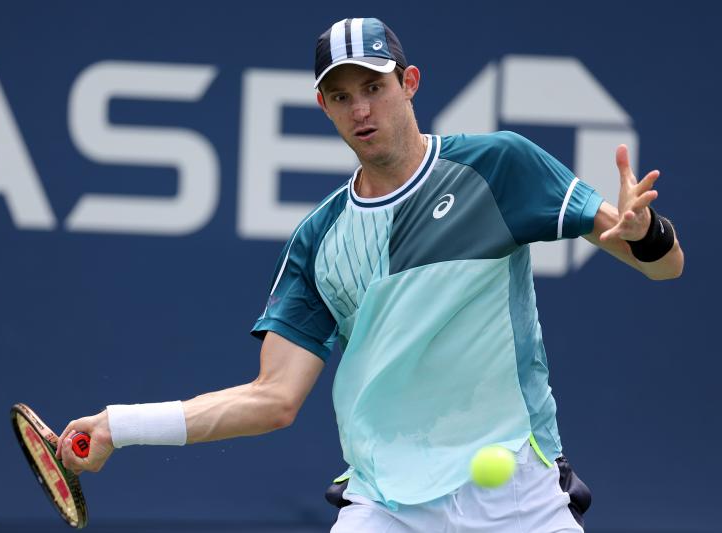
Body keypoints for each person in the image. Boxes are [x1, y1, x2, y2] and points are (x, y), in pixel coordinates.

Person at [56, 17, 684, 533]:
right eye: (341, 95)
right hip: (385, 505)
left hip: (520, 493)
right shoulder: (319, 239)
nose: (361, 108)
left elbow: (665, 269)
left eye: (374, 87)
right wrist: (121, 425)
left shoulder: (497, 167)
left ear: (409, 83)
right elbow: (273, 401)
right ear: (323, 106)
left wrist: (642, 233)